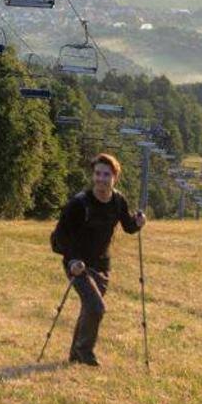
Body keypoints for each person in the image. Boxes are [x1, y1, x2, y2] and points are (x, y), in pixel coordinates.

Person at [48, 153, 146, 366]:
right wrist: (72, 261)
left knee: (89, 309)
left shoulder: (118, 201)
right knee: (96, 308)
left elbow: (128, 226)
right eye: (98, 174)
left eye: (106, 174)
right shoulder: (79, 204)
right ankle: (85, 354)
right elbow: (60, 237)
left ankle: (75, 355)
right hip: (78, 265)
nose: (101, 178)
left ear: (115, 177)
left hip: (102, 265)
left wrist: (138, 222)